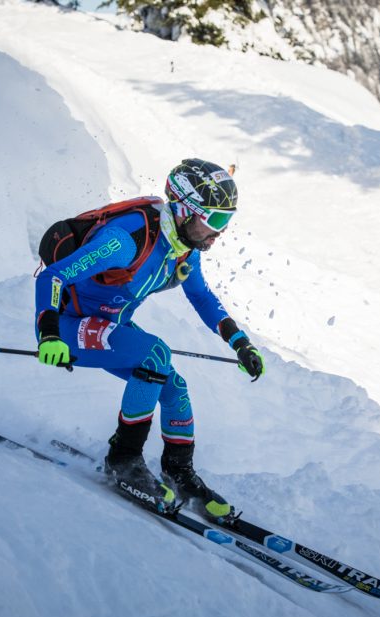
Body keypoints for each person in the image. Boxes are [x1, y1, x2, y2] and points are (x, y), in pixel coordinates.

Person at [33, 159, 264, 520]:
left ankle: (179, 471)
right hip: (66, 326)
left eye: (226, 222)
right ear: (187, 211)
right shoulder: (123, 242)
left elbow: (202, 297)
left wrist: (240, 342)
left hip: (108, 325)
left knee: (174, 387)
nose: (219, 232)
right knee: (156, 353)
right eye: (215, 221)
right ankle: (123, 460)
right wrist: (48, 335)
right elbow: (53, 278)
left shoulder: (182, 245)